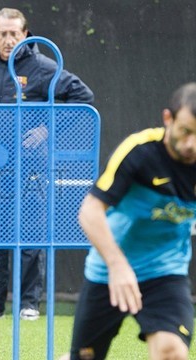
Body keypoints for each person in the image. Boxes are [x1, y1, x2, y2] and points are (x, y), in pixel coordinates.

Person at [0, 7, 94, 321]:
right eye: (2, 33)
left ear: (25, 35)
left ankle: (28, 305)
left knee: (31, 236)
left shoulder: (44, 66)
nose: (8, 40)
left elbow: (83, 97)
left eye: (13, 34)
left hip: (32, 168)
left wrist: (47, 129)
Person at [60, 83, 196, 360]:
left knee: (172, 352)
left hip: (165, 272)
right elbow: (90, 211)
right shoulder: (139, 151)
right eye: (185, 131)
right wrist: (117, 264)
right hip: (109, 271)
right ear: (168, 118)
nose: (190, 144)